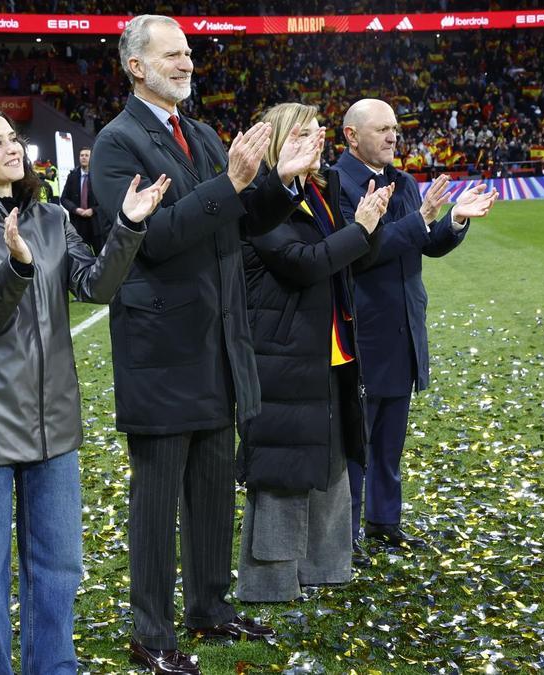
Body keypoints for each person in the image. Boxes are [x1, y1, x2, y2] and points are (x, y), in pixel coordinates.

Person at [91, 15, 322, 674]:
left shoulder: (199, 132)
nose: (188, 62)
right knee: (158, 498)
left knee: (215, 488)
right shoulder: (116, 144)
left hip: (220, 345)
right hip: (162, 351)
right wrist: (234, 182)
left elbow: (243, 220)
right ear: (136, 66)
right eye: (174, 53)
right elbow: (154, 238)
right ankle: (151, 632)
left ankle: (209, 607)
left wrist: (284, 181)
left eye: (189, 52)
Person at [0, 107, 167, 674]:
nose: (13, 147)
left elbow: (96, 285)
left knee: (58, 568)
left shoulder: (53, 218)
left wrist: (129, 227)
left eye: (14, 137)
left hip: (54, 418)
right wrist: (15, 266)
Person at [235, 102, 391, 601]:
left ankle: (325, 568)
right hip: (283, 352)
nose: (316, 140)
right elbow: (302, 264)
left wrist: (372, 223)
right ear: (277, 140)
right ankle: (270, 583)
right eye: (303, 133)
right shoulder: (259, 201)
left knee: (331, 463)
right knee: (282, 471)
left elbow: (350, 256)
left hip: (329, 349)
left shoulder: (319, 191)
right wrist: (361, 228)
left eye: (319, 132)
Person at [333, 99, 497, 554]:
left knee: (389, 442)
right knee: (354, 446)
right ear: (351, 135)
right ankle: (344, 538)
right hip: (362, 334)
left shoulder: (402, 181)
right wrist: (420, 218)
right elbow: (361, 254)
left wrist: (455, 220)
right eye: (382, 129)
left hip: (404, 329)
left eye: (395, 130)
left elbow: (424, 245)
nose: (392, 137)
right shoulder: (337, 183)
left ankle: (384, 521)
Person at [60, 147, 101, 252]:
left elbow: (106, 199)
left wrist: (93, 210)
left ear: (91, 158)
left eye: (87, 155)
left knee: (100, 256)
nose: (84, 157)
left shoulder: (99, 175)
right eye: (81, 155)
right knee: (82, 256)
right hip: (78, 224)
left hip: (96, 224)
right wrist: (75, 209)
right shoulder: (72, 176)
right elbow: (64, 199)